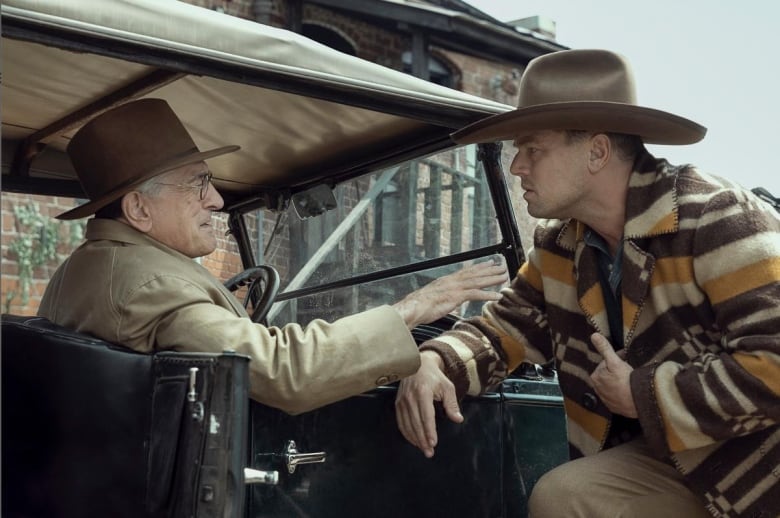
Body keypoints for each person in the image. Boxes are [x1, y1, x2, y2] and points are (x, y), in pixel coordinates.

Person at [394, 49, 779, 518]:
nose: (517, 167)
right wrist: (434, 361)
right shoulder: (561, 246)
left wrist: (644, 393)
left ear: (597, 152)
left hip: (759, 466)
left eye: (533, 149)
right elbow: (502, 333)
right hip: (673, 460)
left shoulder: (716, 216)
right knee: (565, 497)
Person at [38, 98, 508, 415]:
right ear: (139, 209)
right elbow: (285, 373)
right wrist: (413, 309)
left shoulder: (85, 270)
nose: (217, 201)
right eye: (199, 183)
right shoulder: (154, 285)